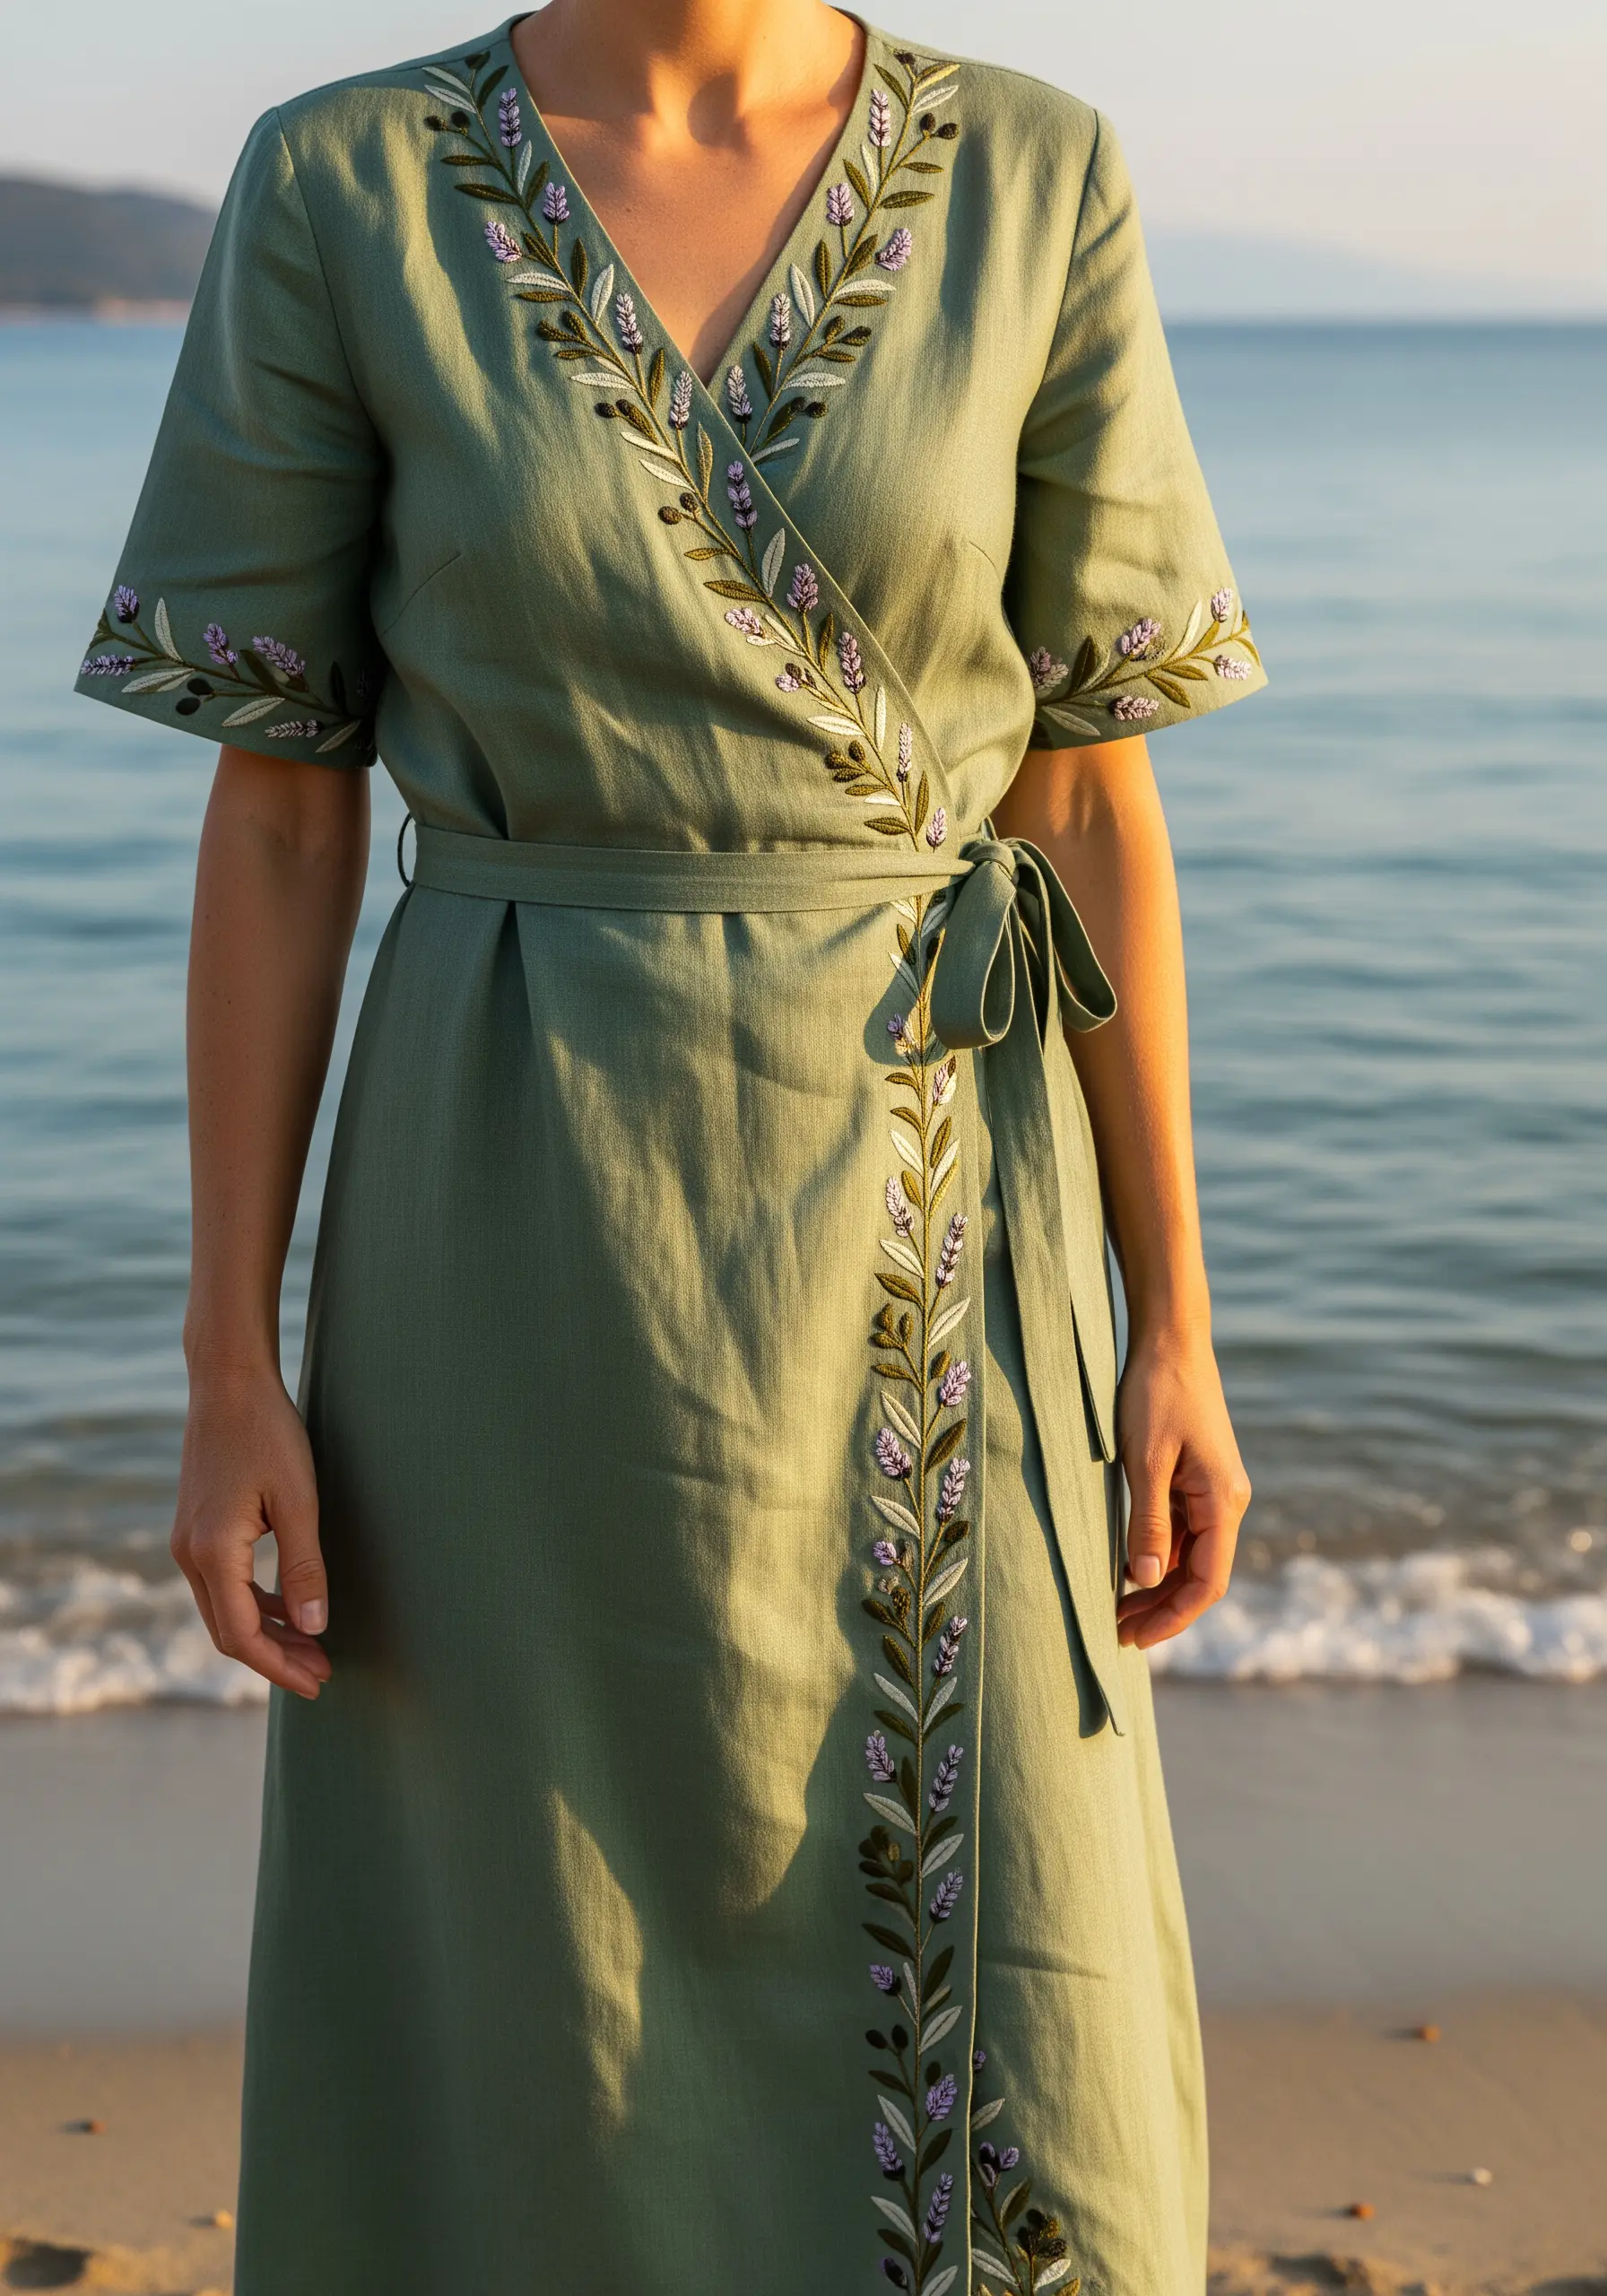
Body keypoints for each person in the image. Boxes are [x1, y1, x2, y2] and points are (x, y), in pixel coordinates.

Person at [74, 3, 1263, 2288]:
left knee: (1019, 1947)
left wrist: (1175, 1317)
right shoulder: (343, 182)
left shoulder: (1031, 174)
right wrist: (229, 1358)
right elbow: (286, 807)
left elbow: (1091, 789)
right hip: (506, 1204)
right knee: (526, 1956)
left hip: (941, 1188)